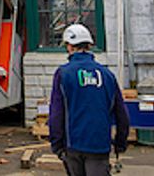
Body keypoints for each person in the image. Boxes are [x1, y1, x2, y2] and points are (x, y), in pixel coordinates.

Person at [49, 24, 130, 176]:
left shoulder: (63, 74)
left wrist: (57, 145)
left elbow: (56, 113)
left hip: (73, 145)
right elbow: (122, 114)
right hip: (99, 145)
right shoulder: (107, 75)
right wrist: (120, 143)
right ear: (89, 45)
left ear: (70, 46)